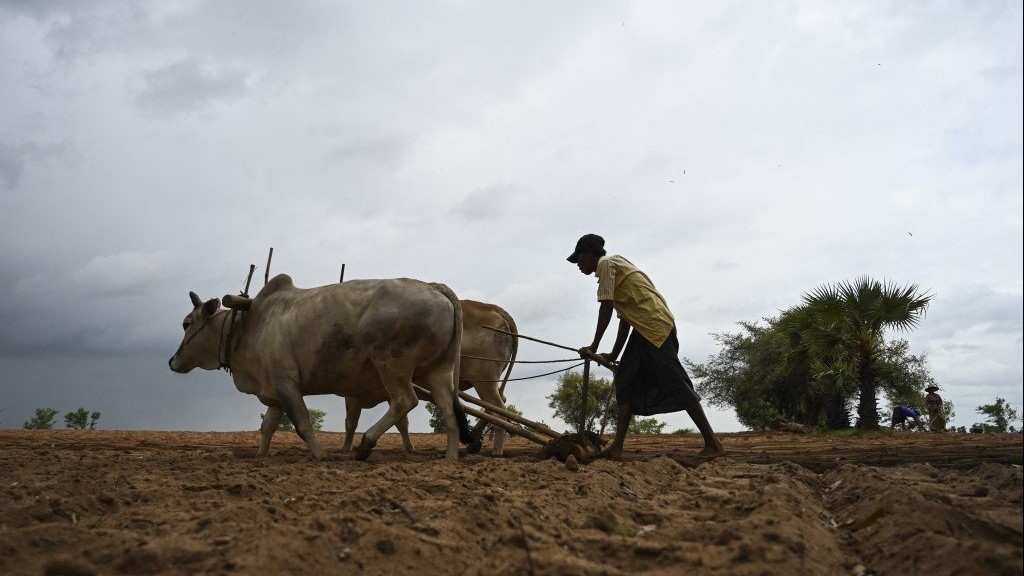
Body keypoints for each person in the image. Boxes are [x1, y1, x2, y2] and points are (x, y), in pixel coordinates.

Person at [567, 233, 725, 459]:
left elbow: (607, 308)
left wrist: (593, 345)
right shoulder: (616, 264)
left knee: (676, 382)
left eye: (579, 259)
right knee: (625, 381)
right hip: (645, 329)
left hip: (655, 328)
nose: (578, 265)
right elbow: (625, 320)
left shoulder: (605, 265)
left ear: (589, 254)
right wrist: (613, 354)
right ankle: (617, 449)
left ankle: (713, 444)